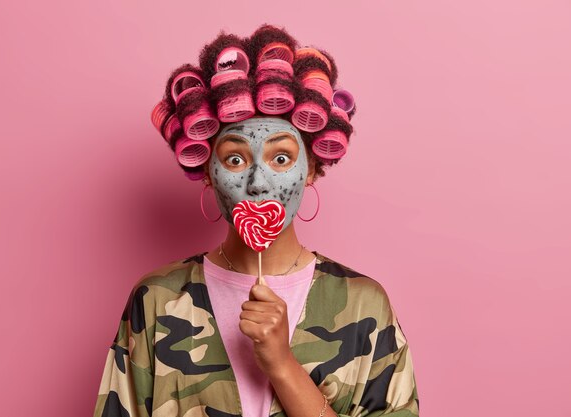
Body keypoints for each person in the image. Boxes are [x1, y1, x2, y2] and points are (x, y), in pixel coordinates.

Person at [93, 24, 419, 417]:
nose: (257, 182)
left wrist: (282, 364)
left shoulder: (365, 305)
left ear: (312, 167)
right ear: (208, 171)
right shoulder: (157, 300)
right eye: (235, 159)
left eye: (281, 159)